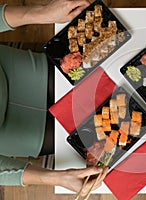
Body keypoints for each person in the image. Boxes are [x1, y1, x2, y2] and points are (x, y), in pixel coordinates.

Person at [0, 0, 108, 195]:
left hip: (10, 71)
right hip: (14, 131)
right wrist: (56, 177)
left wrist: (41, 13)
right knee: (99, 142)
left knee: (102, 78)